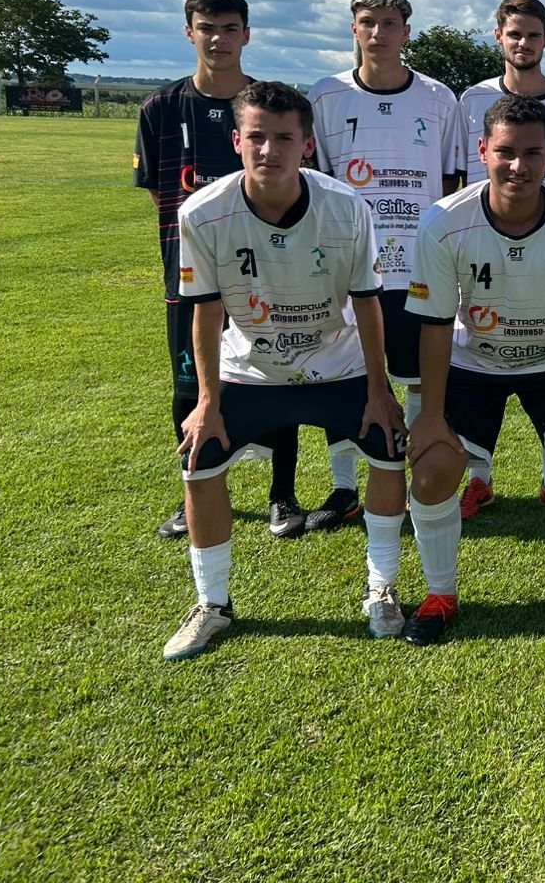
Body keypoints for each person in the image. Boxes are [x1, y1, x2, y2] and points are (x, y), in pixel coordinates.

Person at [165, 81, 408, 660]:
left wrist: (380, 391)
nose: (268, 150)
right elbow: (206, 312)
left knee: (387, 448)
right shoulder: (202, 211)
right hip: (250, 369)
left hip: (337, 364)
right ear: (237, 141)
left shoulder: (345, 207)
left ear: (306, 146)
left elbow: (367, 304)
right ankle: (212, 604)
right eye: (256, 137)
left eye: (283, 138)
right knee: (199, 459)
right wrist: (207, 401)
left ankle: (381, 587)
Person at [399, 95, 545, 644]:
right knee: (433, 470)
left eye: (532, 153)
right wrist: (428, 414)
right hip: (473, 362)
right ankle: (440, 594)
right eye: (505, 152)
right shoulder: (444, 221)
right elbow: (434, 325)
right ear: (482, 152)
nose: (518, 165)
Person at [135, 0, 304, 541]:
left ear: (246, 35)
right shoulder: (160, 108)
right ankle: (196, 491)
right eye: (207, 28)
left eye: (229, 28)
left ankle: (283, 495)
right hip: (191, 275)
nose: (218, 39)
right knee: (190, 385)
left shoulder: (269, 105)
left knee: (278, 375)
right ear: (190, 32)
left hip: (270, 271)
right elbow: (162, 194)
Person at [307, 0, 461, 532]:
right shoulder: (326, 95)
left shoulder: (439, 98)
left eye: (389, 22)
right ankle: (345, 486)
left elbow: (449, 182)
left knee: (420, 377)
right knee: (347, 373)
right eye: (368, 21)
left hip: (417, 264)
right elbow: (318, 183)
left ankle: (419, 474)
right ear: (354, 28)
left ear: (406, 32)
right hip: (350, 265)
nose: (378, 32)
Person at [453, 0, 545, 522]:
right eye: (514, 33)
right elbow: (458, 178)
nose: (524, 43)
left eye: (533, 35)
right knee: (480, 345)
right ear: (499, 37)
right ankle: (479, 479)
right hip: (483, 246)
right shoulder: (471, 99)